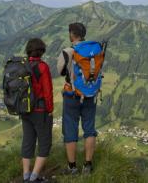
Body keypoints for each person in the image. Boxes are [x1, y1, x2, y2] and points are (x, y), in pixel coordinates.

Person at [57, 22, 98, 175]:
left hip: (72, 95)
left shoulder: (68, 51)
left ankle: (72, 167)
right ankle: (87, 165)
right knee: (89, 130)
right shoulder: (94, 50)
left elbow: (60, 70)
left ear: (72, 34)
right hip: (90, 94)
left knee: (70, 131)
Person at [21, 38, 54, 183]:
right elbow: (47, 90)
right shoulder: (42, 67)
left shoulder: (22, 65)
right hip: (40, 110)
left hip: (25, 110)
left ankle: (26, 176)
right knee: (45, 143)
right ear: (41, 51)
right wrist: (50, 109)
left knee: (28, 141)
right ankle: (34, 178)